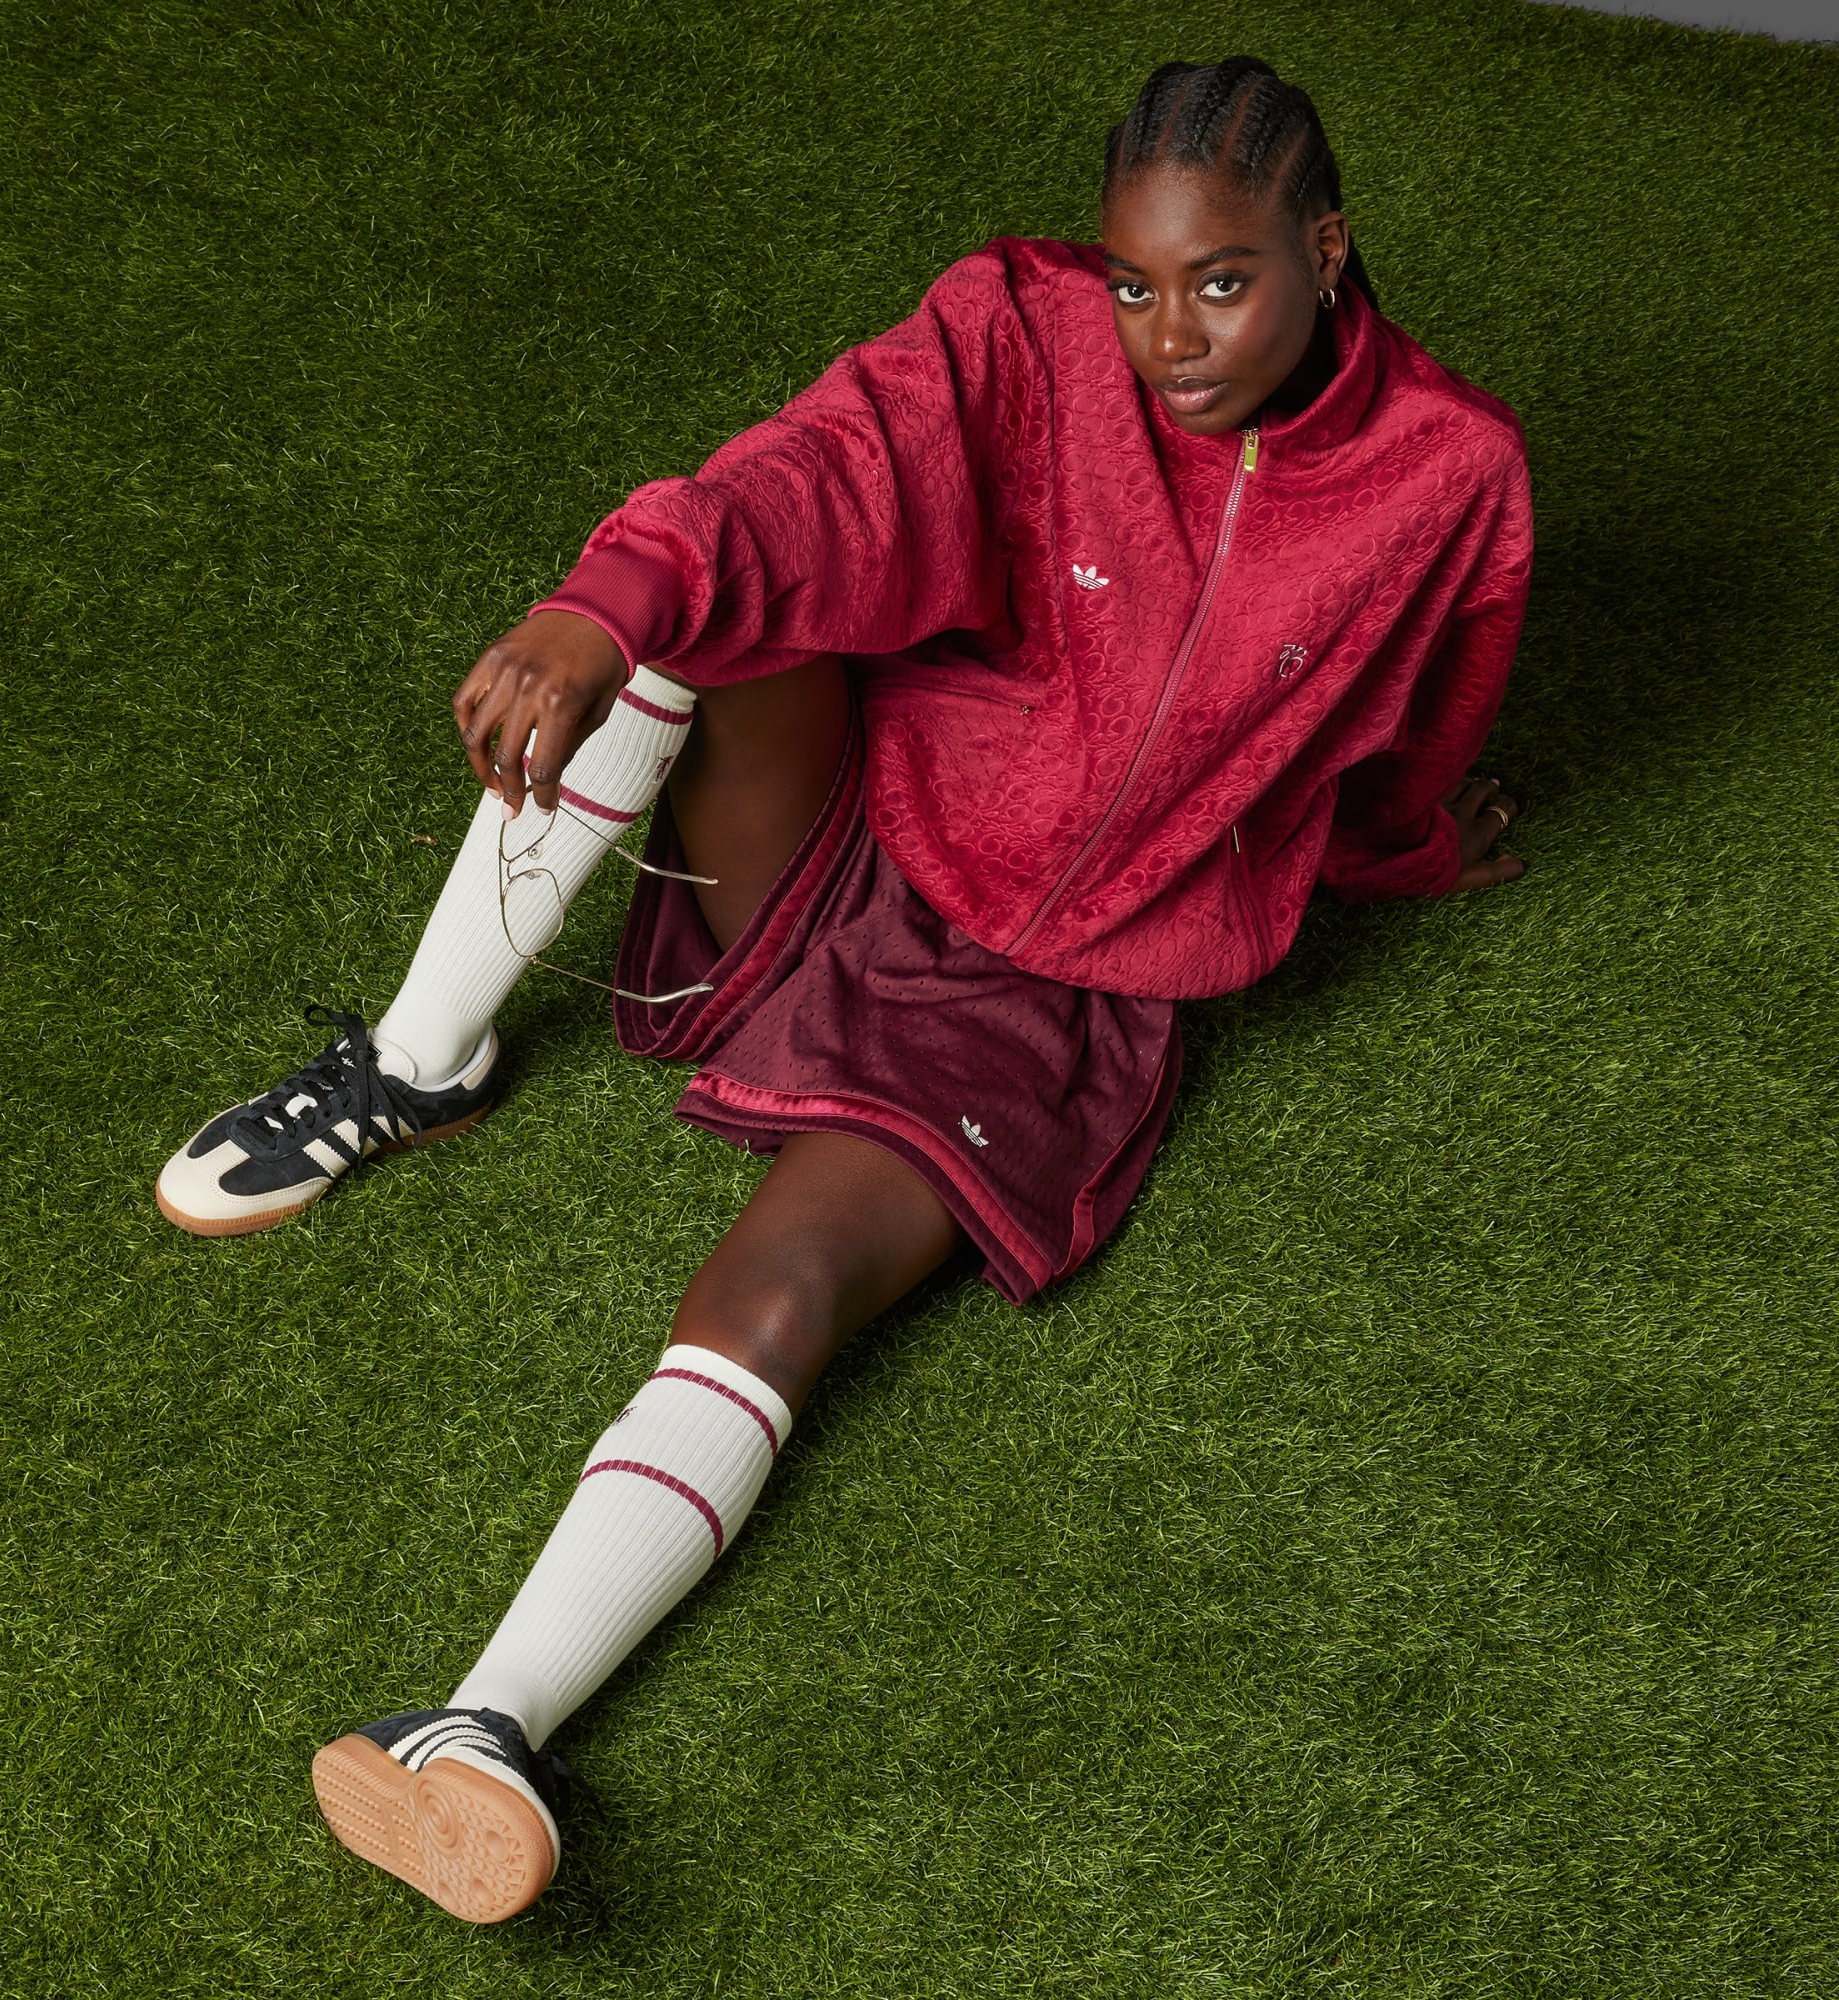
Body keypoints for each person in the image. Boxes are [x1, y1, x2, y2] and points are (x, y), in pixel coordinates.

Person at [154, 56, 1533, 1923]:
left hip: (1045, 995)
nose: (1171, 338)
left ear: (1328, 248)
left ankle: (484, 1724)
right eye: (1137, 284)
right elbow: (820, 470)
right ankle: (416, 1059)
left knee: (785, 1286)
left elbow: (1401, 732)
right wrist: (599, 601)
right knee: (705, 600)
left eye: (1224, 282)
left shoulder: (1446, 472)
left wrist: (1414, 842)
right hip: (864, 827)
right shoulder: (1021, 330)